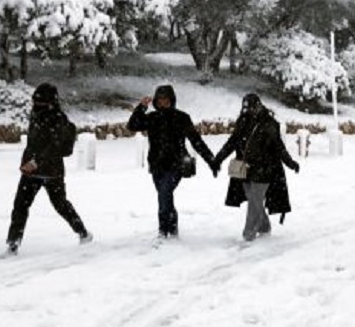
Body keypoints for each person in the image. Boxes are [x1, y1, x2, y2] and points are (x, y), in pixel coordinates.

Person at [5, 83, 91, 256]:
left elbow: (54, 147)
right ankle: (13, 243)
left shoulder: (58, 119)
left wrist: (35, 162)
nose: (36, 105)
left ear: (51, 102)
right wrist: (28, 161)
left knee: (60, 204)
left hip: (51, 171)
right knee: (20, 205)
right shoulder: (36, 115)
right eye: (35, 101)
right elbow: (33, 143)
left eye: (41, 102)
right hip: (32, 170)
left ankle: (82, 231)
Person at [127, 84, 218, 241]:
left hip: (176, 165)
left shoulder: (181, 118)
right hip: (156, 164)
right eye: (160, 100)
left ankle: (163, 230)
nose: (163, 103)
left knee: (164, 194)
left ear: (172, 100)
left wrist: (211, 160)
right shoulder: (152, 118)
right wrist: (141, 108)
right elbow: (132, 125)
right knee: (165, 197)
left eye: (166, 99)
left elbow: (196, 141)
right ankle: (173, 228)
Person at [213, 93, 300, 242]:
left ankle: (248, 234)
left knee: (254, 200)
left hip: (265, 169)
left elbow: (279, 148)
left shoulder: (270, 124)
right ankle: (264, 226)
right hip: (246, 169)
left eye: (250, 107)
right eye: (245, 108)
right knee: (253, 199)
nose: (248, 111)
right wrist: (218, 159)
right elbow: (231, 142)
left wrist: (291, 163)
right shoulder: (242, 122)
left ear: (258, 106)